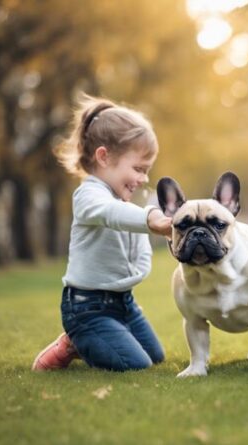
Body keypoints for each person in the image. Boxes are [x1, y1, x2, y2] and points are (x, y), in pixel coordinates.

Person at [31, 95, 172, 371]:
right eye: (138, 169)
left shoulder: (121, 201)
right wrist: (151, 217)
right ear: (104, 157)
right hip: (87, 309)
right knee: (134, 364)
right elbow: (111, 214)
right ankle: (73, 341)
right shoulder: (89, 196)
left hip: (124, 304)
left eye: (147, 171)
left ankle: (101, 337)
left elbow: (133, 238)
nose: (143, 179)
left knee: (156, 357)